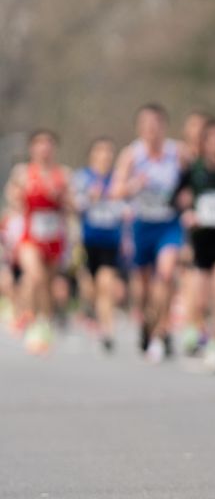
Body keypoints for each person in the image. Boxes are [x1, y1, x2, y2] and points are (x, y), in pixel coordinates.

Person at [110, 104, 185, 363]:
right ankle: (145, 323)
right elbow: (115, 191)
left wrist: (187, 198)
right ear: (140, 128)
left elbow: (193, 181)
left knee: (165, 275)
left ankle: (162, 331)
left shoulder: (178, 152)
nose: (152, 131)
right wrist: (133, 185)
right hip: (142, 225)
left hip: (168, 224)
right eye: (146, 126)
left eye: (156, 125)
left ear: (164, 126)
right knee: (142, 288)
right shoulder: (132, 154)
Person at [176, 122, 215, 373]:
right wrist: (187, 210)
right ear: (204, 144)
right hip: (201, 242)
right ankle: (196, 327)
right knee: (200, 300)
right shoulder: (194, 170)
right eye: (213, 140)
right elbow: (176, 198)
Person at [6, 131, 71, 356]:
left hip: (53, 238)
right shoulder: (23, 172)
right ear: (32, 148)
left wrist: (60, 197)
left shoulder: (62, 174)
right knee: (35, 276)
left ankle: (44, 321)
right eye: (39, 144)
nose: (44, 149)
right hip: (30, 236)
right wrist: (21, 194)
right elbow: (12, 197)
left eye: (48, 144)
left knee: (48, 284)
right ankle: (33, 321)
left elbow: (73, 206)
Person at [73, 137, 129, 354]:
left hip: (110, 242)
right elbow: (73, 204)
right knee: (90, 289)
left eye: (108, 152)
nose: (105, 156)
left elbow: (125, 208)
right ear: (92, 155)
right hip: (88, 242)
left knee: (106, 285)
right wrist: (89, 197)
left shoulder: (118, 179)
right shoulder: (82, 178)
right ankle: (92, 313)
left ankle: (107, 332)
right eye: (100, 152)